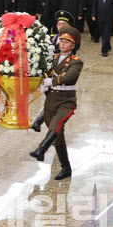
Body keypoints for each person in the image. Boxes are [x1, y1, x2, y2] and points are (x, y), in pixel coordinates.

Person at [29, 27, 83, 180]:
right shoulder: (52, 58)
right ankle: (66, 168)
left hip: (66, 101)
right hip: (51, 100)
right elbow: (42, 70)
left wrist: (51, 81)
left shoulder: (76, 62)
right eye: (62, 41)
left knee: (56, 125)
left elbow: (69, 76)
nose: (63, 44)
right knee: (58, 137)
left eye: (67, 42)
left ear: (73, 46)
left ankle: (41, 149)